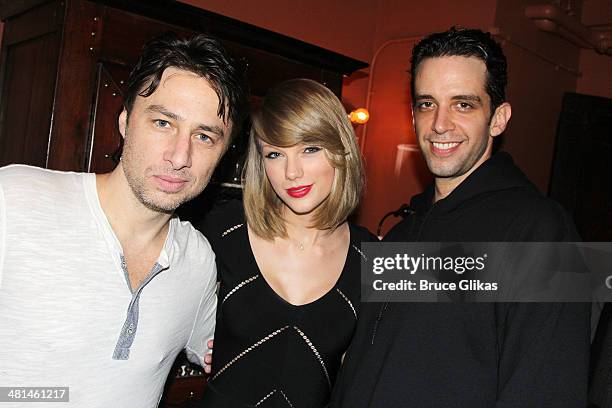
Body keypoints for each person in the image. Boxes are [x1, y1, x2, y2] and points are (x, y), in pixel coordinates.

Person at [331, 27, 590, 407]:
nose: (439, 123)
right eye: (426, 103)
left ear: (498, 118)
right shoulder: (403, 234)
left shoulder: (540, 231)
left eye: (463, 104)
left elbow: (547, 389)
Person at [0, 33, 247, 407]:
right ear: (125, 121)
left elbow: (235, 349)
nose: (180, 156)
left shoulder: (197, 260)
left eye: (204, 136)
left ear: (223, 155)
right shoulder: (15, 199)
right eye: (163, 123)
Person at [196, 78, 376, 408]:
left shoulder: (371, 257)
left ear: (341, 151)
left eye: (310, 149)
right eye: (276, 154)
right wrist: (195, 339)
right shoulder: (222, 225)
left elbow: (489, 277)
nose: (292, 172)